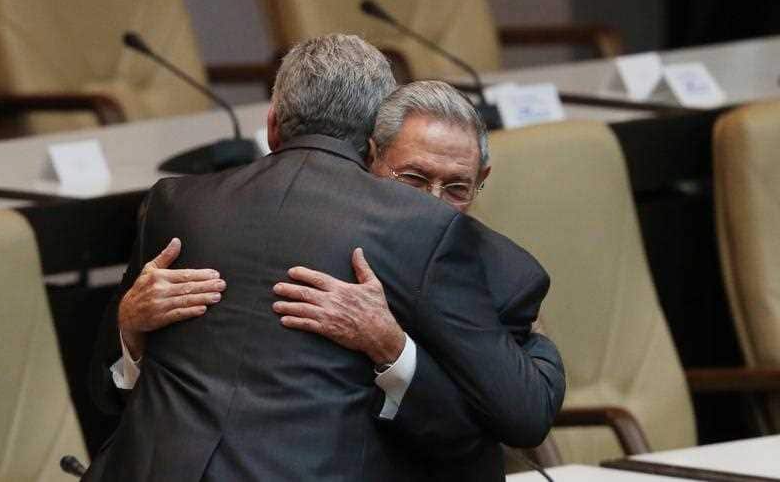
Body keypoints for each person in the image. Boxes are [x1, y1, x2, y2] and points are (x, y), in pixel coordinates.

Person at [85, 37, 562, 481]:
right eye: (414, 179)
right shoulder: (419, 232)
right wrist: (130, 326)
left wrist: (390, 347)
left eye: (456, 187)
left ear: (271, 125)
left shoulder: (176, 202)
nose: (431, 201)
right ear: (371, 146)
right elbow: (109, 392)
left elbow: (521, 409)